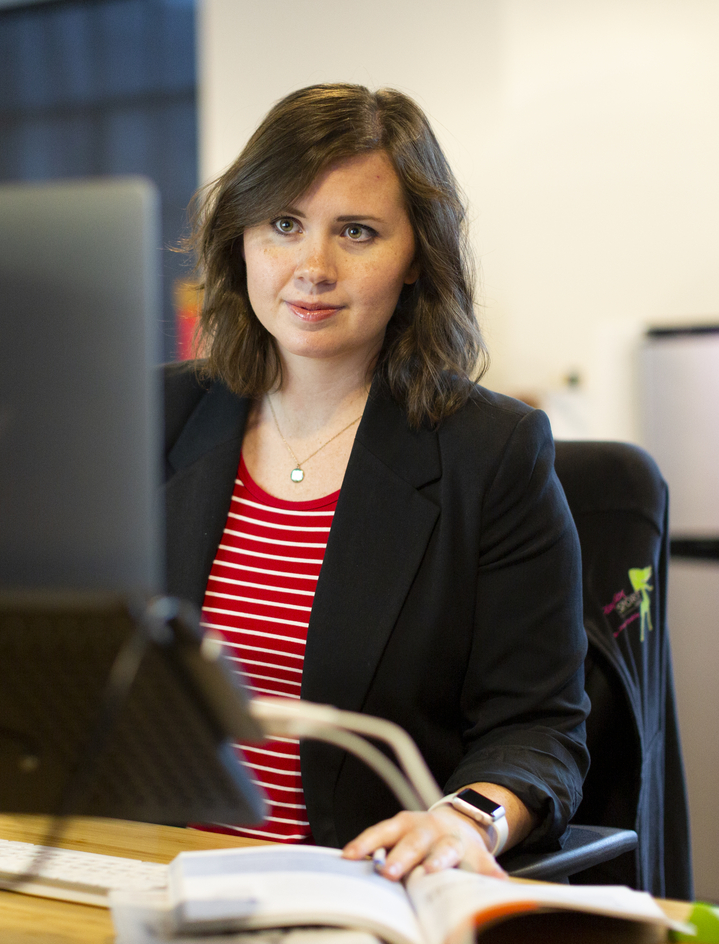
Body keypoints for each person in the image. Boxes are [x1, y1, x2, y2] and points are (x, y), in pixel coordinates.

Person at [165, 84, 588, 881]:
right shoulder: (152, 420)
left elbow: (539, 728)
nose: (312, 268)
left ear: (417, 258)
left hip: (355, 886)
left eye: (356, 232)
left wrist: (466, 822)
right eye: (284, 224)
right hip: (143, 875)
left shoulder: (492, 454)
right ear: (241, 239)